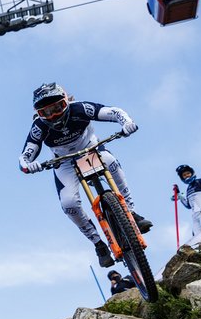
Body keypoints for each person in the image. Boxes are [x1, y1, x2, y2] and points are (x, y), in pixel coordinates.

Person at [19, 82, 153, 268]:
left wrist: (127, 122)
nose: (54, 115)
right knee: (69, 203)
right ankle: (99, 244)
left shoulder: (80, 108)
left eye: (57, 108)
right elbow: (26, 154)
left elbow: (113, 111)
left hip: (90, 148)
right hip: (64, 161)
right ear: (40, 114)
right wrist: (28, 165)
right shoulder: (39, 127)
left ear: (65, 101)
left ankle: (131, 212)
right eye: (46, 112)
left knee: (112, 164)